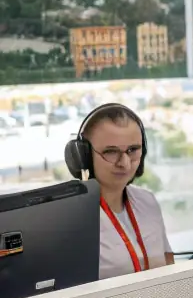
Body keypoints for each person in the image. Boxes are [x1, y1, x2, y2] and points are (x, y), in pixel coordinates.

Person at [64, 104, 174, 281]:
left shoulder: (147, 201)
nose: (125, 163)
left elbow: (168, 263)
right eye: (111, 152)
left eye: (133, 150)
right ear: (82, 156)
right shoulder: (71, 218)